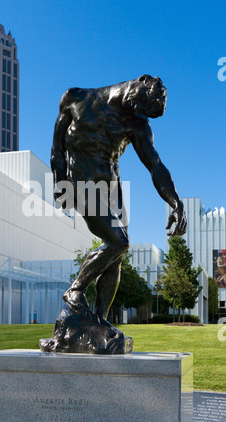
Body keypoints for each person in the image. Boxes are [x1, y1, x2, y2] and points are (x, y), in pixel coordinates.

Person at [51, 74, 187, 323]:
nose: (138, 114)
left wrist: (175, 202)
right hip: (82, 182)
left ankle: (100, 321)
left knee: (115, 257)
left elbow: (155, 165)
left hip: (113, 189)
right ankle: (75, 290)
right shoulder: (75, 97)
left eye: (143, 112)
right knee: (119, 242)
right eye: (139, 105)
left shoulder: (137, 123)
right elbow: (57, 147)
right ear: (141, 80)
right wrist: (59, 182)